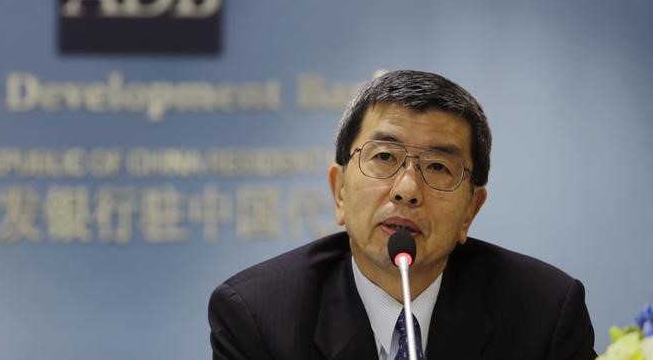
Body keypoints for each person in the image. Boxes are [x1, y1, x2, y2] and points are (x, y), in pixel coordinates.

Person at [208, 69, 596, 360]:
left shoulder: (544, 313)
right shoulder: (258, 316)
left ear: (470, 212)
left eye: (438, 167)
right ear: (339, 191)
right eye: (384, 158)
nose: (407, 190)